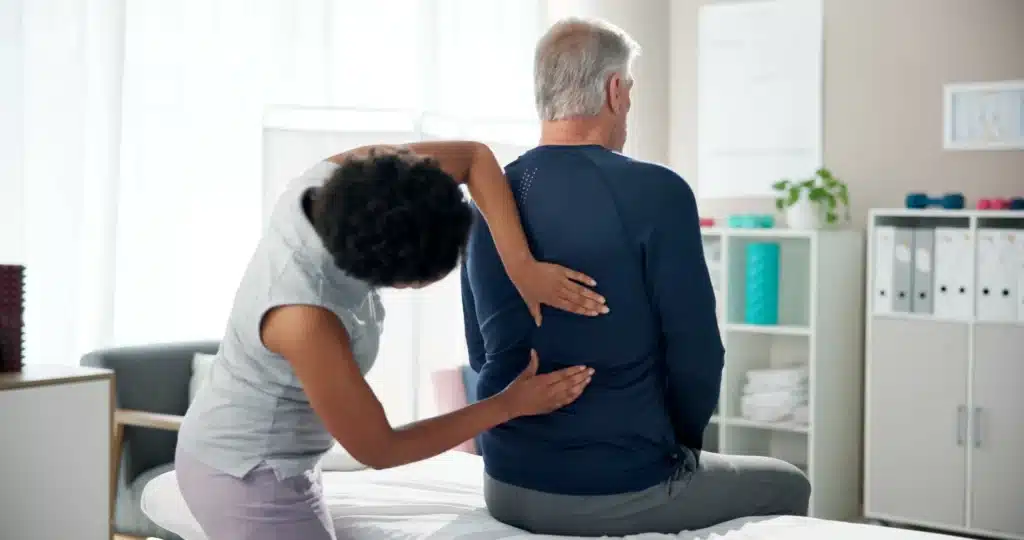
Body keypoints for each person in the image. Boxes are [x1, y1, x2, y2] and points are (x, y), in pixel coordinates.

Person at [460, 18, 811, 536]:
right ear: (615, 90)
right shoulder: (657, 191)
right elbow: (698, 355)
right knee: (789, 483)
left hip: (505, 482)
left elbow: (480, 354)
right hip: (616, 484)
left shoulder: (487, 203)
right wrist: (680, 450)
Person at [175, 141, 607, 540]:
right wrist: (508, 405)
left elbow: (474, 158)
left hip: (265, 450)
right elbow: (379, 447)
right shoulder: (305, 317)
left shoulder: (337, 182)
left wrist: (521, 266)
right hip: (246, 472)